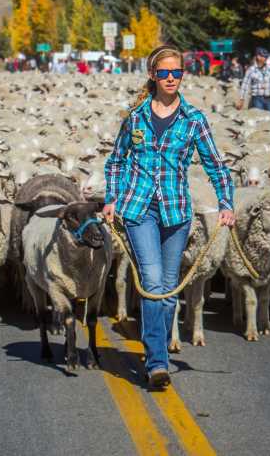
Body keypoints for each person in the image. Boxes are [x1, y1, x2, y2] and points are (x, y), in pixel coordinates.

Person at [103, 45, 234, 389]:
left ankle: (155, 350)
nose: (171, 78)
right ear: (153, 75)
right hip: (138, 209)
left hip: (176, 212)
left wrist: (226, 203)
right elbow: (116, 160)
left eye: (177, 72)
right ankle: (157, 361)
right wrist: (111, 198)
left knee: (171, 287)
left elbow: (215, 165)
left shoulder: (194, 120)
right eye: (164, 73)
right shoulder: (135, 117)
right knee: (153, 281)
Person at [237, 47, 270, 113]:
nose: (265, 58)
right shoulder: (251, 70)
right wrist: (241, 99)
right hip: (257, 99)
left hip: (269, 98)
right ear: (258, 56)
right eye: (264, 56)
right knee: (259, 118)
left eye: (266, 56)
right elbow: (245, 86)